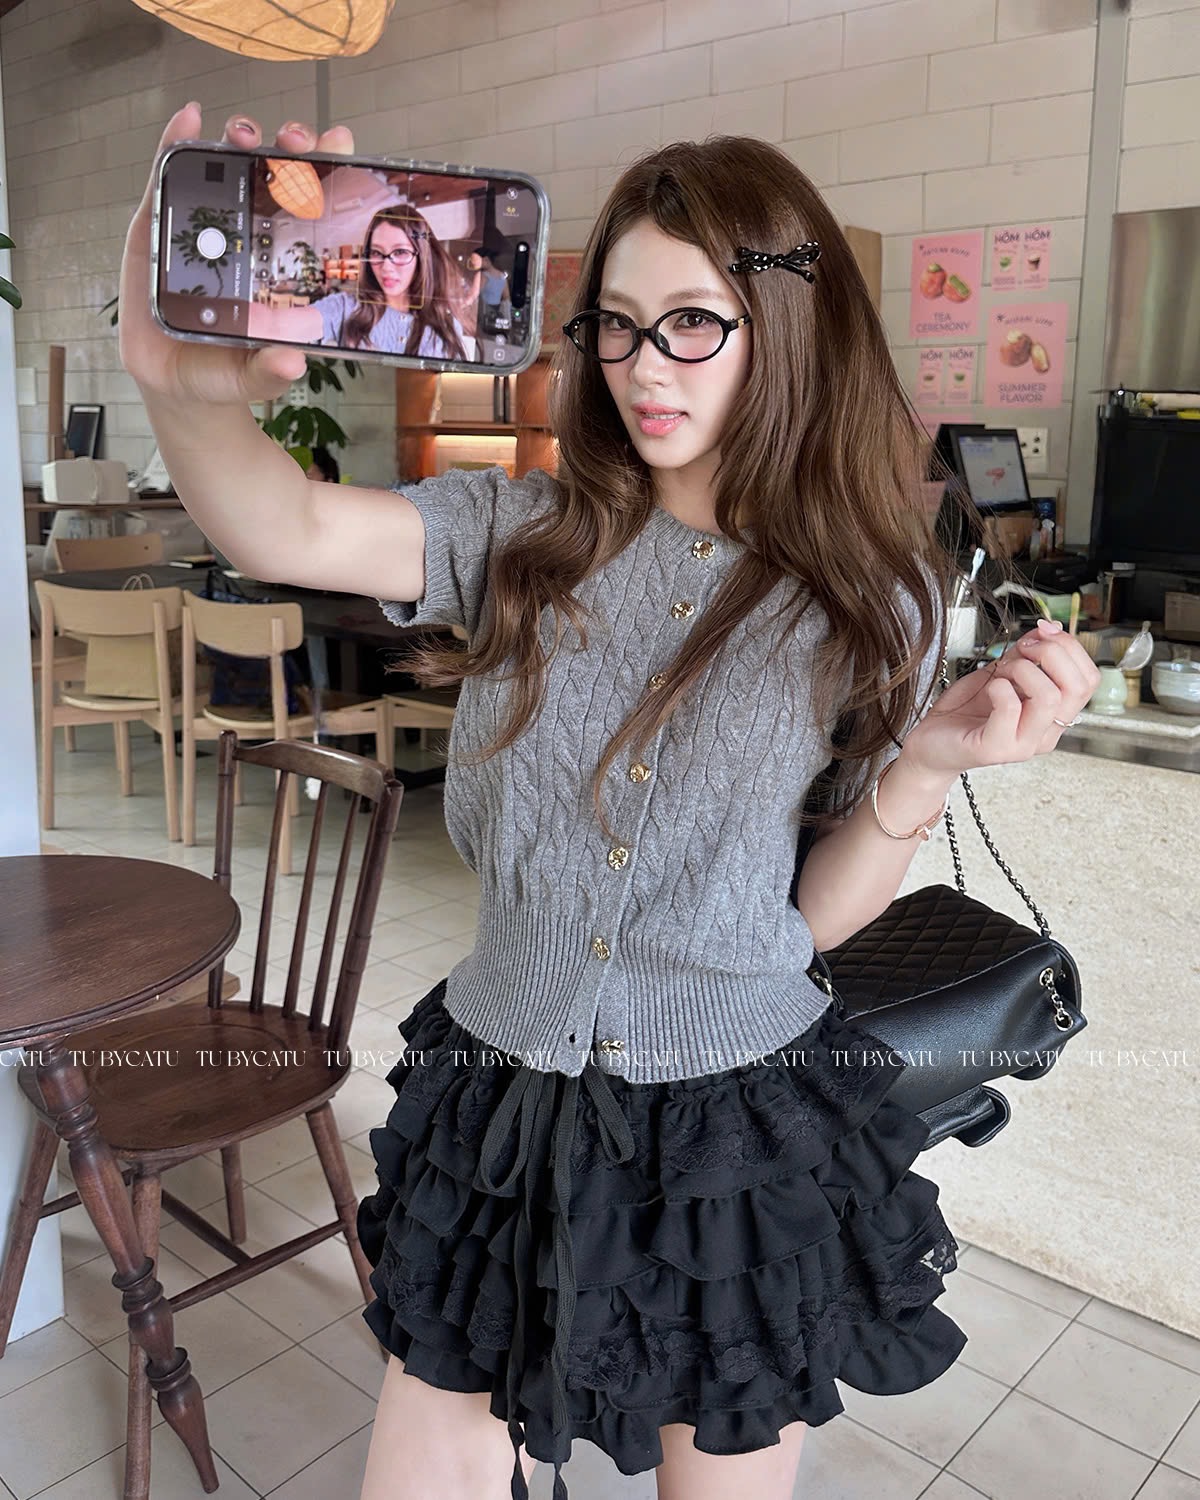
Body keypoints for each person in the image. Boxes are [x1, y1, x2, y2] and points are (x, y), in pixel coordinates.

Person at [120, 105, 1101, 1500]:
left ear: (786, 324)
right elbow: (288, 523)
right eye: (618, 327)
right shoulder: (521, 535)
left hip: (733, 1127)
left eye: (692, 323)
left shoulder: (863, 598)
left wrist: (927, 764)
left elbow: (808, 923)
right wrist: (183, 388)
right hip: (502, 1102)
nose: (645, 367)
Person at [247, 201, 470, 359]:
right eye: (377, 253)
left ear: (422, 257)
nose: (386, 266)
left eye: (400, 252)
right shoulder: (347, 308)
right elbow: (273, 324)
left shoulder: (447, 324)